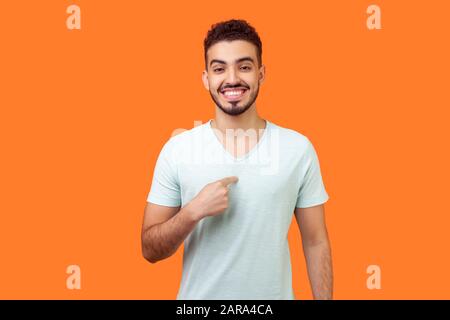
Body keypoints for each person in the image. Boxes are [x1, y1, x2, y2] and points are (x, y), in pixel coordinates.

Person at [141, 19, 333, 300]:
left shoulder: (297, 149)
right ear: (206, 78)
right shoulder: (177, 150)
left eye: (244, 66)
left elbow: (316, 242)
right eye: (219, 68)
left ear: (261, 73)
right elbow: (150, 250)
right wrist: (193, 211)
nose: (232, 79)